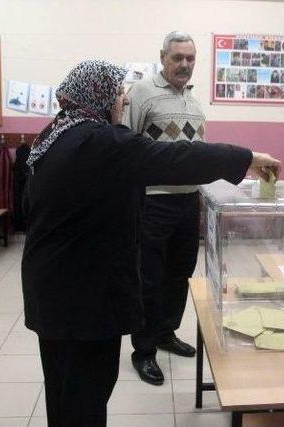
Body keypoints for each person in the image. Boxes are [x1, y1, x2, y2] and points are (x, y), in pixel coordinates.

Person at [21, 59, 281, 426]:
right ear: (97, 95)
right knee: (87, 393)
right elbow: (173, 157)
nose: (124, 100)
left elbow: (28, 209)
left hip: (49, 287)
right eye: (117, 92)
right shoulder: (99, 140)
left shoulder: (54, 134)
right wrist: (245, 158)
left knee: (62, 389)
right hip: (83, 298)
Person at [122, 31, 203, 385]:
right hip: (153, 202)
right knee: (150, 279)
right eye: (178, 58)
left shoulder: (194, 100)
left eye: (190, 58)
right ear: (162, 57)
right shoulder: (142, 93)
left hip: (189, 201)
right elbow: (125, 147)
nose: (185, 65)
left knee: (179, 274)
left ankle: (166, 333)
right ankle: (144, 351)